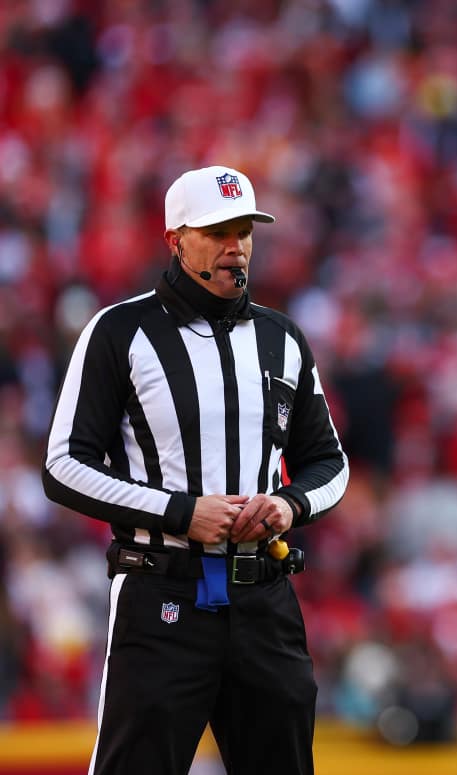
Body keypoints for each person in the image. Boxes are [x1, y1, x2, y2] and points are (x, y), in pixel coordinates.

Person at [42, 165, 349, 775]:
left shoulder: (282, 338)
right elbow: (63, 464)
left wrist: (288, 505)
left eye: (245, 230)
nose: (236, 246)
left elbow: (328, 462)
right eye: (217, 232)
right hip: (162, 591)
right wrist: (183, 511)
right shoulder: (119, 331)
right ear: (176, 239)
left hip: (263, 595)